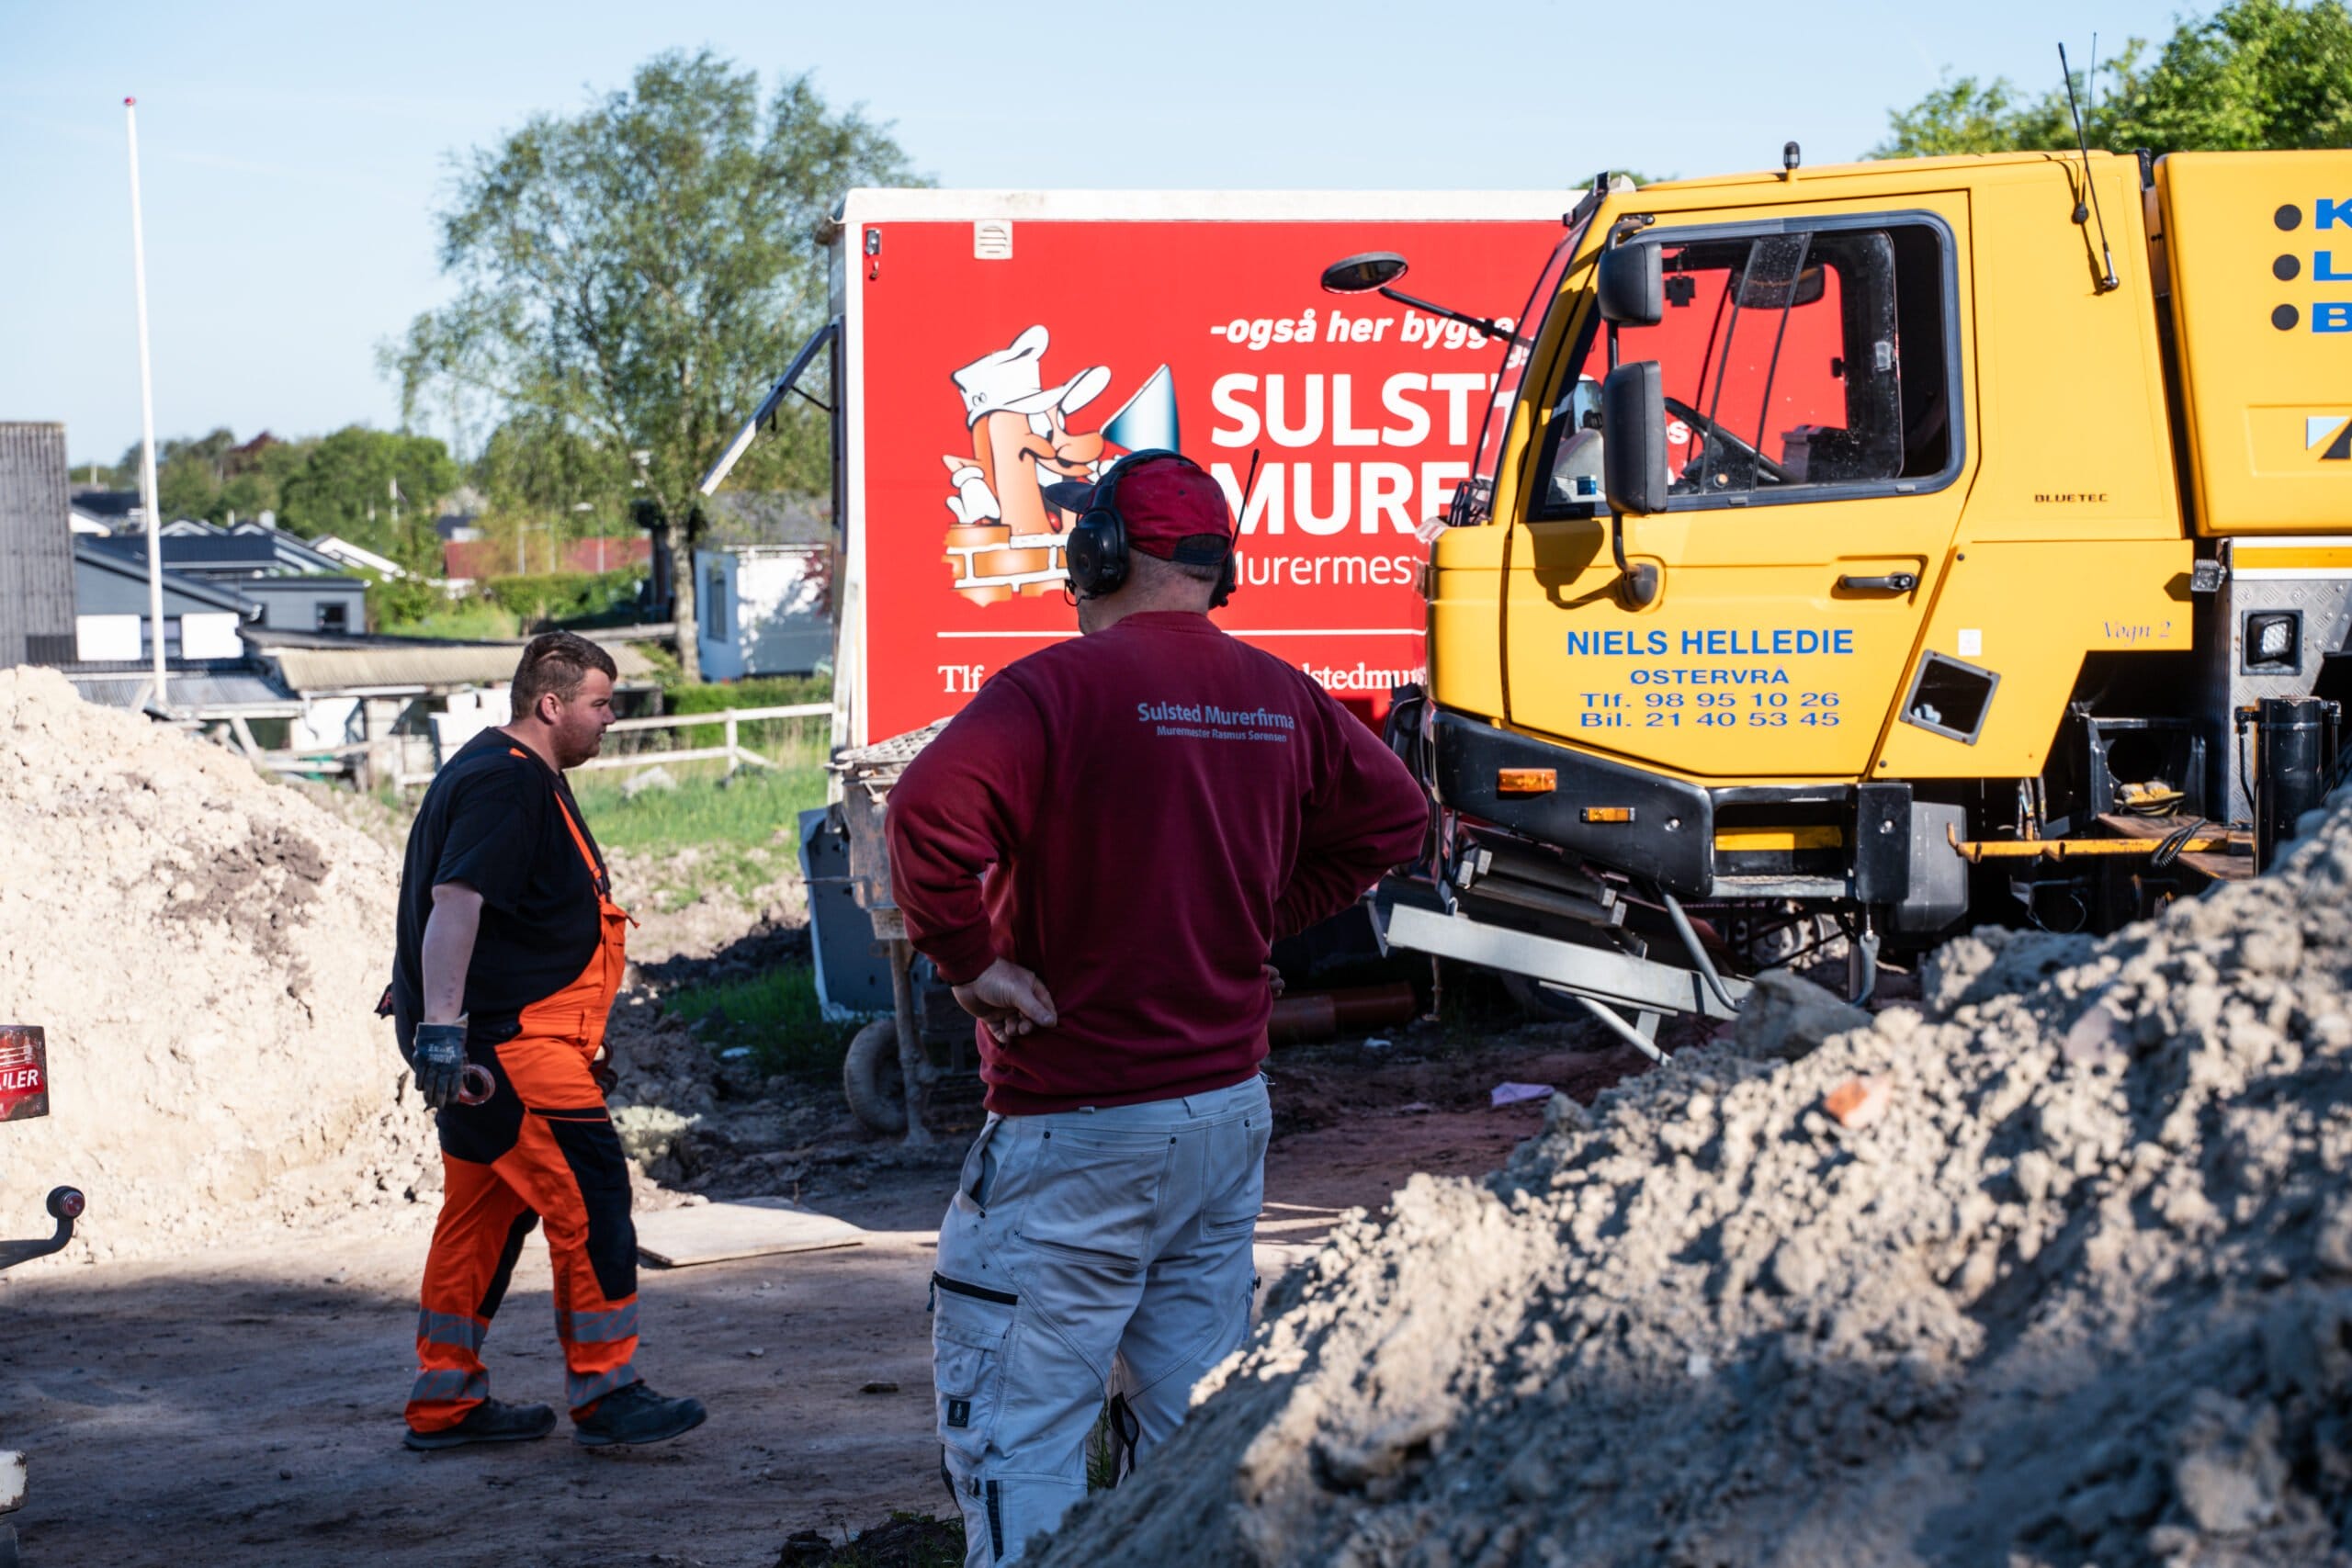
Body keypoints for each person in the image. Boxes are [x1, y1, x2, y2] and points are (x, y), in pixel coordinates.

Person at [885, 450, 1429, 1563]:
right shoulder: (1280, 696)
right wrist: (1261, 914)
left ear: (1099, 556)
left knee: (1020, 1437)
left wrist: (970, 963)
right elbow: (1396, 818)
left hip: (1076, 1128)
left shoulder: (1054, 689)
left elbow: (925, 817)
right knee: (1195, 1430)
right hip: (1223, 1120)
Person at [387, 631, 705, 1451]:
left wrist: (428, 1008)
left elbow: (459, 904)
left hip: (486, 1044)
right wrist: (444, 1029)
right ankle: (608, 1390)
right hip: (511, 1049)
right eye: (600, 703)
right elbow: (455, 902)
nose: (610, 719)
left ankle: (444, 1400)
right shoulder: (506, 781)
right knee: (591, 1197)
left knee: (482, 1218)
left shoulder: (501, 771)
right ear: (551, 703)